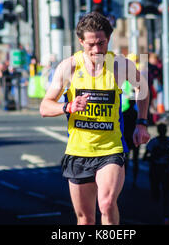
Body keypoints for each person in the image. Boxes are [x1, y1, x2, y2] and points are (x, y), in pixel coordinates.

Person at [40, 12, 150, 225]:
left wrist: (141, 123)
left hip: (111, 149)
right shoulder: (69, 67)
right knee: (86, 218)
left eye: (102, 43)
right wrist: (68, 106)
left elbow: (142, 88)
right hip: (78, 151)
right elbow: (45, 107)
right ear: (81, 42)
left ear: (108, 39)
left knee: (107, 204)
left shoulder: (120, 66)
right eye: (91, 44)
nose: (97, 50)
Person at [143, 123, 169, 225]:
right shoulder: (156, 142)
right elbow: (145, 156)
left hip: (162, 169)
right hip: (157, 169)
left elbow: (145, 157)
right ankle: (159, 212)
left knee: (163, 192)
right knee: (158, 192)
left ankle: (162, 213)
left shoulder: (161, 141)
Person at [123, 98, 139, 188]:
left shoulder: (124, 113)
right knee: (135, 160)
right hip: (134, 138)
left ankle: (124, 178)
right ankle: (134, 180)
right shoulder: (137, 114)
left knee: (126, 159)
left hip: (126, 138)